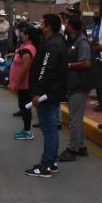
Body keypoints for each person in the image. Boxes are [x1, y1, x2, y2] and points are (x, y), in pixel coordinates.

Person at [24, 14, 68, 178]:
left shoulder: (52, 45)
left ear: (49, 26)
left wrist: (37, 91)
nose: (40, 25)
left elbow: (45, 70)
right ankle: (51, 162)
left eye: (42, 23)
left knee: (49, 130)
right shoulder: (57, 42)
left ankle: (45, 166)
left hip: (47, 94)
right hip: (53, 92)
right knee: (52, 130)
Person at [58, 16, 93, 161]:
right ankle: (81, 146)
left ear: (73, 26)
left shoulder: (82, 42)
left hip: (80, 85)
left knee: (74, 119)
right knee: (77, 118)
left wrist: (69, 66)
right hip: (73, 84)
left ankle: (72, 149)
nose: (65, 25)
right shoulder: (71, 41)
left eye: (67, 23)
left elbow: (86, 63)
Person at [8, 23, 39, 140]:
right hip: (23, 84)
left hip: (24, 84)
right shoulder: (25, 46)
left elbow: (25, 68)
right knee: (23, 107)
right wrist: (15, 55)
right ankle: (26, 129)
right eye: (21, 31)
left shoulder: (28, 49)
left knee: (25, 107)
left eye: (24, 32)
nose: (21, 34)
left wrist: (16, 83)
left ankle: (27, 131)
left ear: (29, 35)